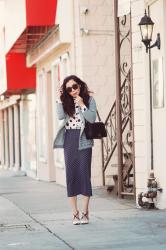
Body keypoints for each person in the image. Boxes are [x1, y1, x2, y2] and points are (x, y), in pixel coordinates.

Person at [53, 75, 97, 225]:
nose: (72, 91)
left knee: (84, 174)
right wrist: (59, 99)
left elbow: (91, 118)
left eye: (75, 87)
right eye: (69, 89)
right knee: (71, 174)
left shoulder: (89, 99)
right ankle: (74, 213)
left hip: (84, 137)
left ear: (80, 85)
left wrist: (82, 104)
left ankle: (85, 212)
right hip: (69, 139)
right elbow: (60, 117)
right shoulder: (65, 101)